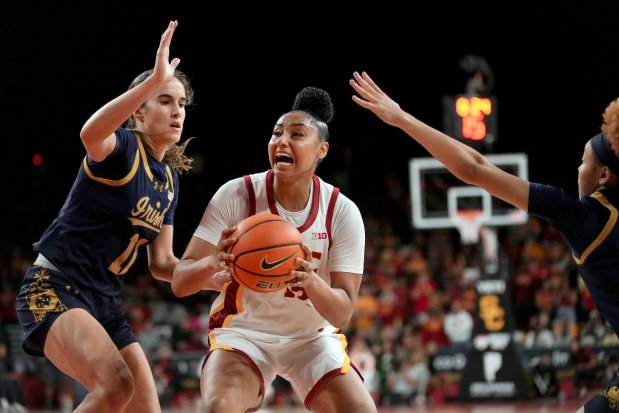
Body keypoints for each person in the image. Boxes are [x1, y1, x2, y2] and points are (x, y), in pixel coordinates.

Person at [349, 70, 619, 413]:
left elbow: (474, 168)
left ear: (603, 176)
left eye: (583, 162)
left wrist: (401, 118)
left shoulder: (585, 219)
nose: (578, 168)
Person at [15, 20, 193, 412]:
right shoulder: (123, 149)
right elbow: (89, 135)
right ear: (140, 112)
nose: (177, 110)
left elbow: (163, 264)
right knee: (115, 386)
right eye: (165, 100)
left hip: (105, 303)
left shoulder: (169, 182)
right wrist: (150, 82)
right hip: (55, 286)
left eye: (181, 103)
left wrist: (219, 269)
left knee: (146, 407)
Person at [172, 86, 377, 413]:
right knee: (218, 407)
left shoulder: (341, 211)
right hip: (244, 333)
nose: (282, 141)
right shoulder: (237, 195)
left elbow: (343, 313)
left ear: (321, 149)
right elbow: (180, 282)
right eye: (276, 133)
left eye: (297, 134)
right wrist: (212, 262)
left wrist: (312, 282)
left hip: (312, 339)